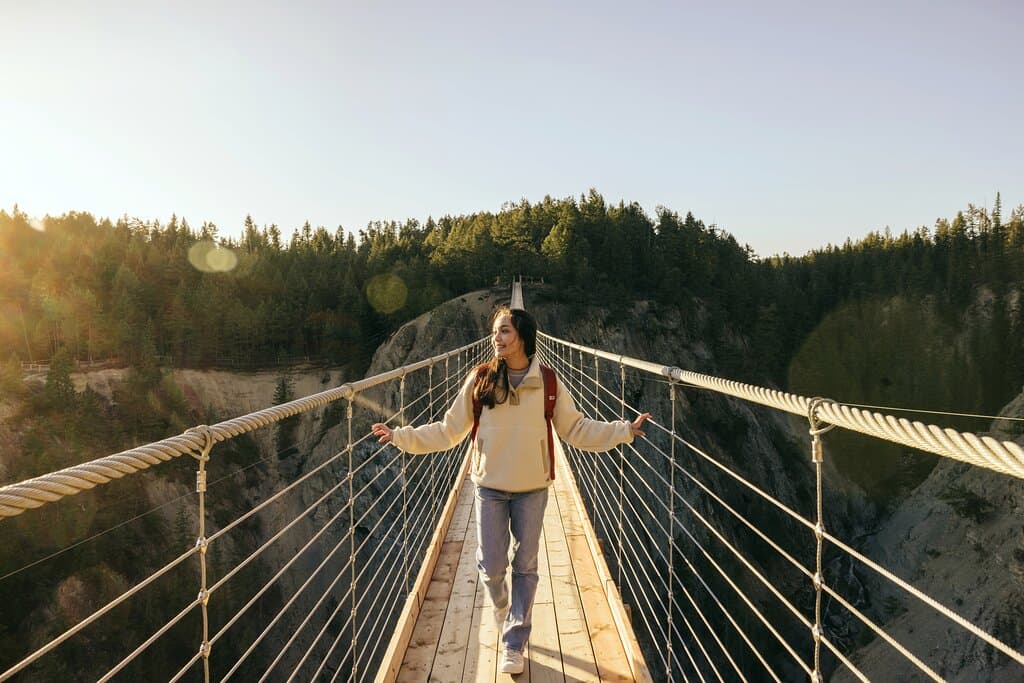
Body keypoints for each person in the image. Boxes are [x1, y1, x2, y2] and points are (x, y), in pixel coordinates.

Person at [372, 307, 650, 675]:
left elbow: (578, 429)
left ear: (522, 336)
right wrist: (400, 437)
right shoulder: (481, 379)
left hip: (532, 487)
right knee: (491, 568)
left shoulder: (548, 383)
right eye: (495, 332)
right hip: (488, 485)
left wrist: (624, 431)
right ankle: (507, 613)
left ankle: (514, 640)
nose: (496, 339)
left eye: (504, 331)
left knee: (526, 565)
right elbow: (449, 430)